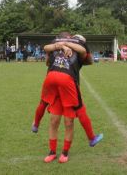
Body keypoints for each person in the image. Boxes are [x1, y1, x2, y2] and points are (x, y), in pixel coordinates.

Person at [40, 34, 89, 163]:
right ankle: (52, 152)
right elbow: (46, 53)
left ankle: (65, 152)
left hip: (70, 90)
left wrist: (66, 44)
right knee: (54, 121)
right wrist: (60, 46)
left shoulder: (80, 53)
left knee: (69, 122)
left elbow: (84, 52)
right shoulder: (58, 49)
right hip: (56, 89)